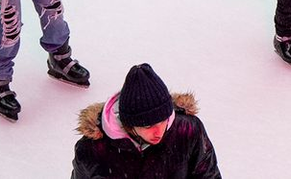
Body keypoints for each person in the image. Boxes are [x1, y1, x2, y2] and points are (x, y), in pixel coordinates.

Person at [71, 62, 222, 177]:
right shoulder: (92, 150)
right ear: (129, 124)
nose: (159, 131)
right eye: (148, 126)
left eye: (163, 120)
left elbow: (208, 175)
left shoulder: (187, 131)